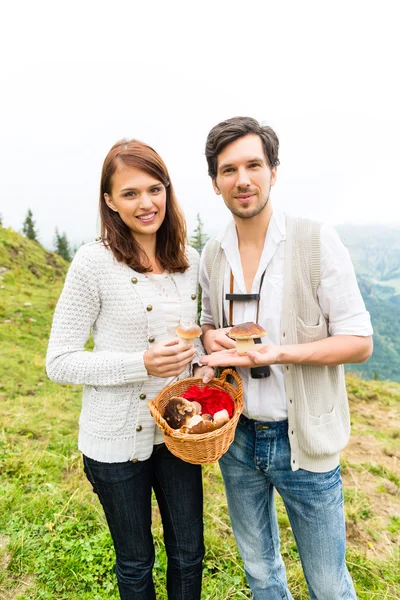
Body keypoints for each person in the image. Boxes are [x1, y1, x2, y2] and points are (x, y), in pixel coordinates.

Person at [199, 117, 373, 600]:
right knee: (260, 572)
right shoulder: (213, 255)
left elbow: (360, 341)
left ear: (274, 171)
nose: (243, 179)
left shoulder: (316, 241)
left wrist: (283, 352)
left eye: (254, 164)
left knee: (328, 585)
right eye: (228, 169)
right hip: (236, 438)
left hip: (305, 445)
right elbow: (209, 325)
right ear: (215, 182)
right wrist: (211, 338)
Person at [46, 139, 213, 600]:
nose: (146, 203)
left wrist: (200, 366)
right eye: (131, 193)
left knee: (189, 553)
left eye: (155, 190)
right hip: (114, 441)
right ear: (110, 201)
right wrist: (138, 363)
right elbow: (58, 360)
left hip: (179, 435)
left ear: (168, 191)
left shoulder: (188, 260)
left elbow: (190, 339)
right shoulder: (93, 263)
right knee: (136, 563)